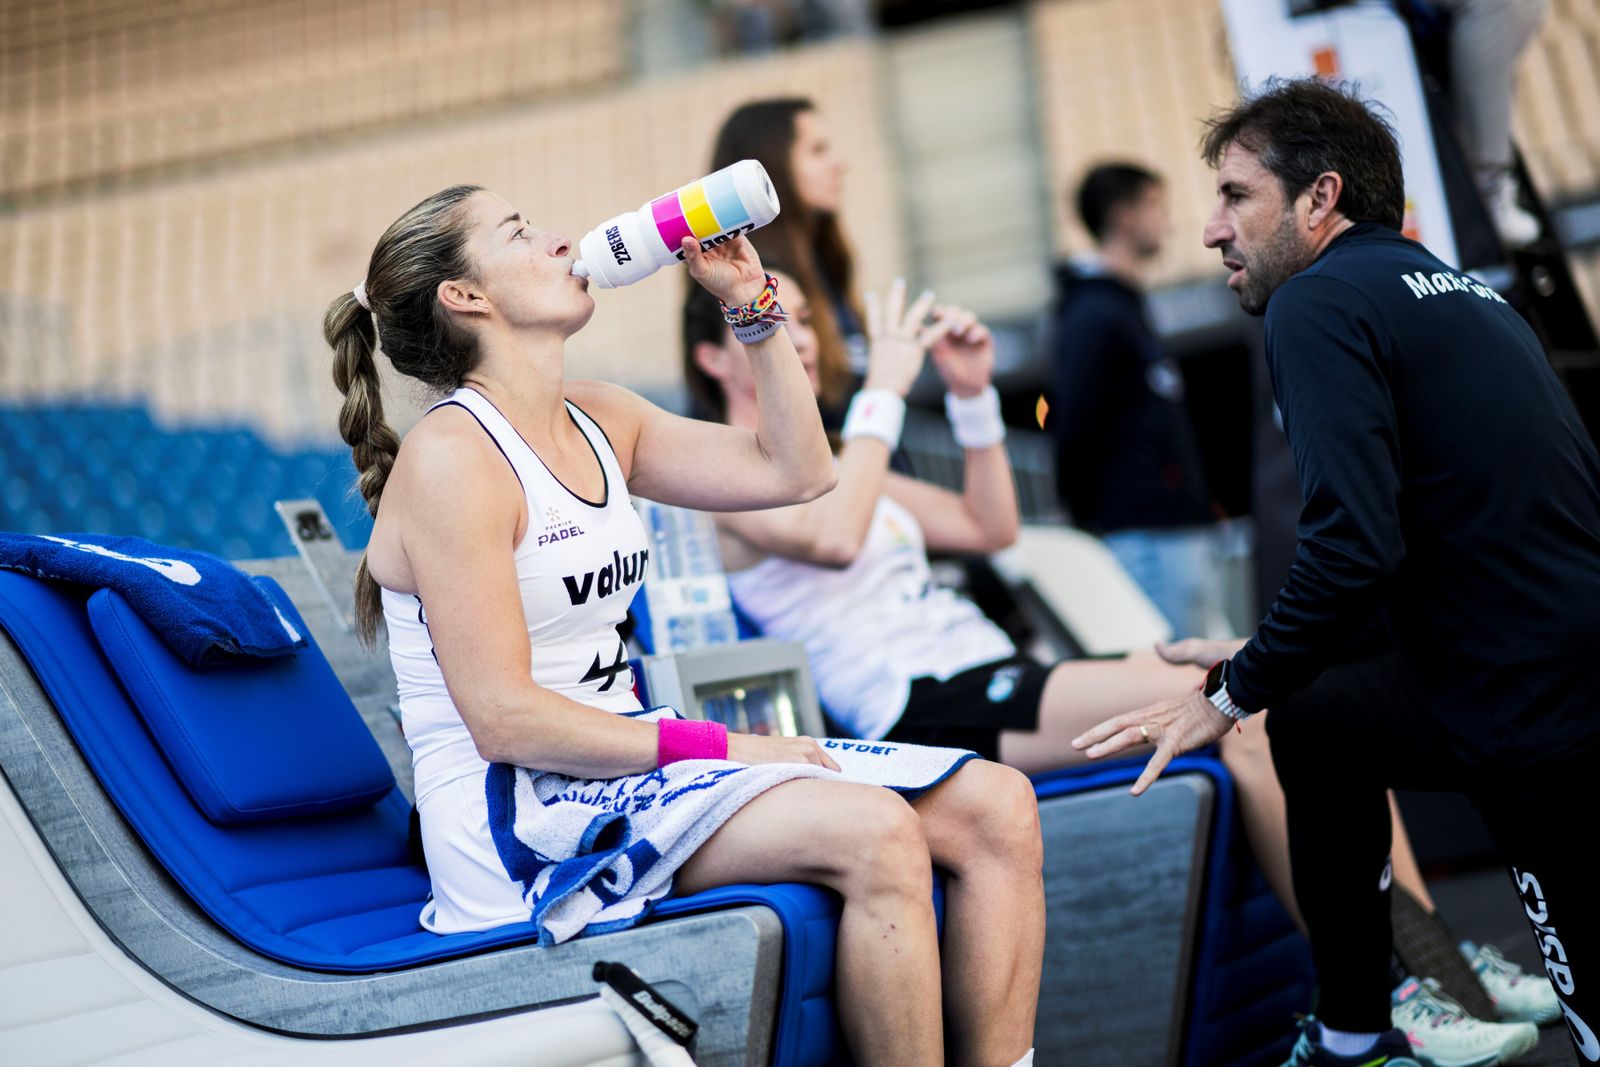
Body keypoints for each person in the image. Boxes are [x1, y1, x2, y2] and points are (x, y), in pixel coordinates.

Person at [323, 184, 1045, 1067]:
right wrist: (728, 748)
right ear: (465, 298)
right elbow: (504, 718)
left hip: (624, 760)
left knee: (998, 807)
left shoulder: (600, 414)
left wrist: (751, 305)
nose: (557, 237)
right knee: (878, 830)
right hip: (517, 809)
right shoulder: (451, 460)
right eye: (518, 231)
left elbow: (798, 470)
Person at [1074, 78, 1600, 1067]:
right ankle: (1358, 1030)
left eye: (1234, 195)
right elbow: (1452, 539)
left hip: (1535, 710)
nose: (1209, 230)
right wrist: (1266, 659)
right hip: (1544, 664)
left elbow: (1355, 545)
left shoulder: (1313, 303)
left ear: (1319, 198)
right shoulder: (1458, 291)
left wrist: (1228, 693)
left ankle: (1360, 1033)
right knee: (1316, 721)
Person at [1046, 162, 1227, 638]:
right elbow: (1075, 421)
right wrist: (1080, 509)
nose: (1168, 222)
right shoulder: (1095, 313)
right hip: (1148, 537)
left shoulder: (1120, 305)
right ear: (1123, 217)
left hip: (1172, 532)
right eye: (1155, 206)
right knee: (1172, 682)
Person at [710, 98, 865, 416]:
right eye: (818, 150)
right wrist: (885, 392)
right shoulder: (750, 283)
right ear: (771, 166)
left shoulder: (823, 261)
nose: (839, 164)